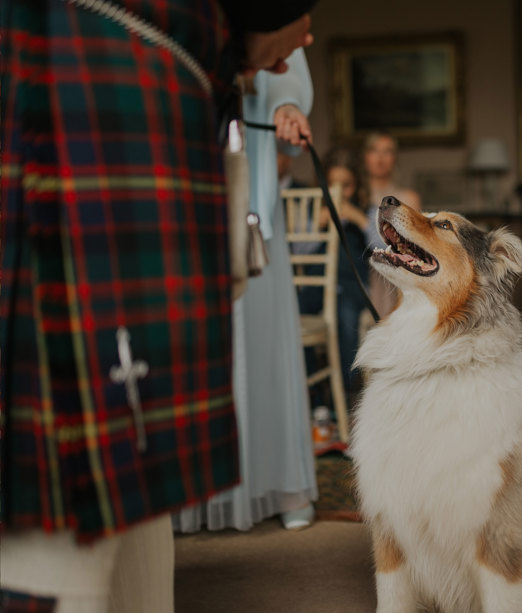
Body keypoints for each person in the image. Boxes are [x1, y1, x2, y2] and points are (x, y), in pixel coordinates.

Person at [0, 0, 317, 609]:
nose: (307, 35)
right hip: (93, 97)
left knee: (135, 492)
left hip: (150, 80)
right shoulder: (84, 49)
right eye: (306, 16)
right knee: (68, 508)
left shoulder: (193, 54)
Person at [174, 48, 319, 534]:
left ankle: (280, 483)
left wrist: (286, 107)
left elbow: (287, 73)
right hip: (180, 184)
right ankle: (185, 493)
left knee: (262, 345)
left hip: (251, 205)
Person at [296, 147, 371, 394]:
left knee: (345, 318)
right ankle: (314, 393)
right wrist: (316, 225)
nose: (338, 192)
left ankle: (347, 389)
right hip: (315, 287)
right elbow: (298, 251)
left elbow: (383, 246)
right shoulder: (313, 212)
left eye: (346, 185)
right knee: (297, 314)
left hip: (351, 289)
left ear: (356, 186)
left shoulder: (365, 210)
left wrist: (360, 220)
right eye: (332, 184)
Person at [362, 131, 422, 316]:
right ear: (365, 156)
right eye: (374, 150)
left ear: (394, 158)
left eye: (387, 151)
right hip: (360, 269)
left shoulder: (408, 198)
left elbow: (414, 245)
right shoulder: (355, 195)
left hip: (397, 271)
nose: (380, 158)